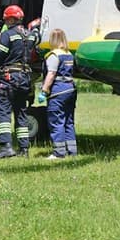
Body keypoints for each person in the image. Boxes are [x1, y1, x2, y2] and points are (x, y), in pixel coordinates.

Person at [0, 5, 40, 158]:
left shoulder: (8, 34)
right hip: (24, 78)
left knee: (3, 112)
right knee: (21, 113)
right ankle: (24, 149)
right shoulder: (29, 35)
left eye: (6, 19)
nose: (5, 22)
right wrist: (35, 27)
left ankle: (6, 147)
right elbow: (38, 37)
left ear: (10, 19)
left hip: (9, 78)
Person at [39, 28, 77, 159]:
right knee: (68, 121)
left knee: (56, 121)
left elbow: (51, 74)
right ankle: (72, 151)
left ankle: (59, 152)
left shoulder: (53, 55)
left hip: (58, 92)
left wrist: (44, 91)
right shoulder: (69, 54)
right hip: (70, 89)